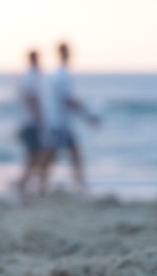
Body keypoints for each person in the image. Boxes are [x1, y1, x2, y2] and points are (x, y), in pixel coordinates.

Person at [41, 42, 100, 194]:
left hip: (63, 123)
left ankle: (80, 185)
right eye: (68, 51)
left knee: (74, 154)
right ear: (64, 53)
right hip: (59, 123)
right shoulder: (62, 75)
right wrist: (88, 115)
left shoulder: (59, 74)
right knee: (53, 154)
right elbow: (68, 99)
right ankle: (43, 184)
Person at [14, 50, 47, 201]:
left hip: (27, 122)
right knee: (36, 156)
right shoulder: (32, 76)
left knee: (34, 157)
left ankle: (27, 185)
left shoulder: (29, 76)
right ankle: (32, 187)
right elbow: (32, 99)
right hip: (31, 123)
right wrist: (40, 119)